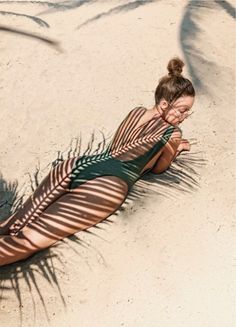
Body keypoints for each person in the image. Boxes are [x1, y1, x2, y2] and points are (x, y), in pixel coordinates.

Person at [0, 57, 195, 267]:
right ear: (164, 104)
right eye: (182, 110)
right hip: (109, 184)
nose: (186, 116)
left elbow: (122, 145)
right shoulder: (172, 133)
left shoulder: (137, 112)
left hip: (77, 165)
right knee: (27, 241)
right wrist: (176, 148)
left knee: (13, 223)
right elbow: (158, 168)